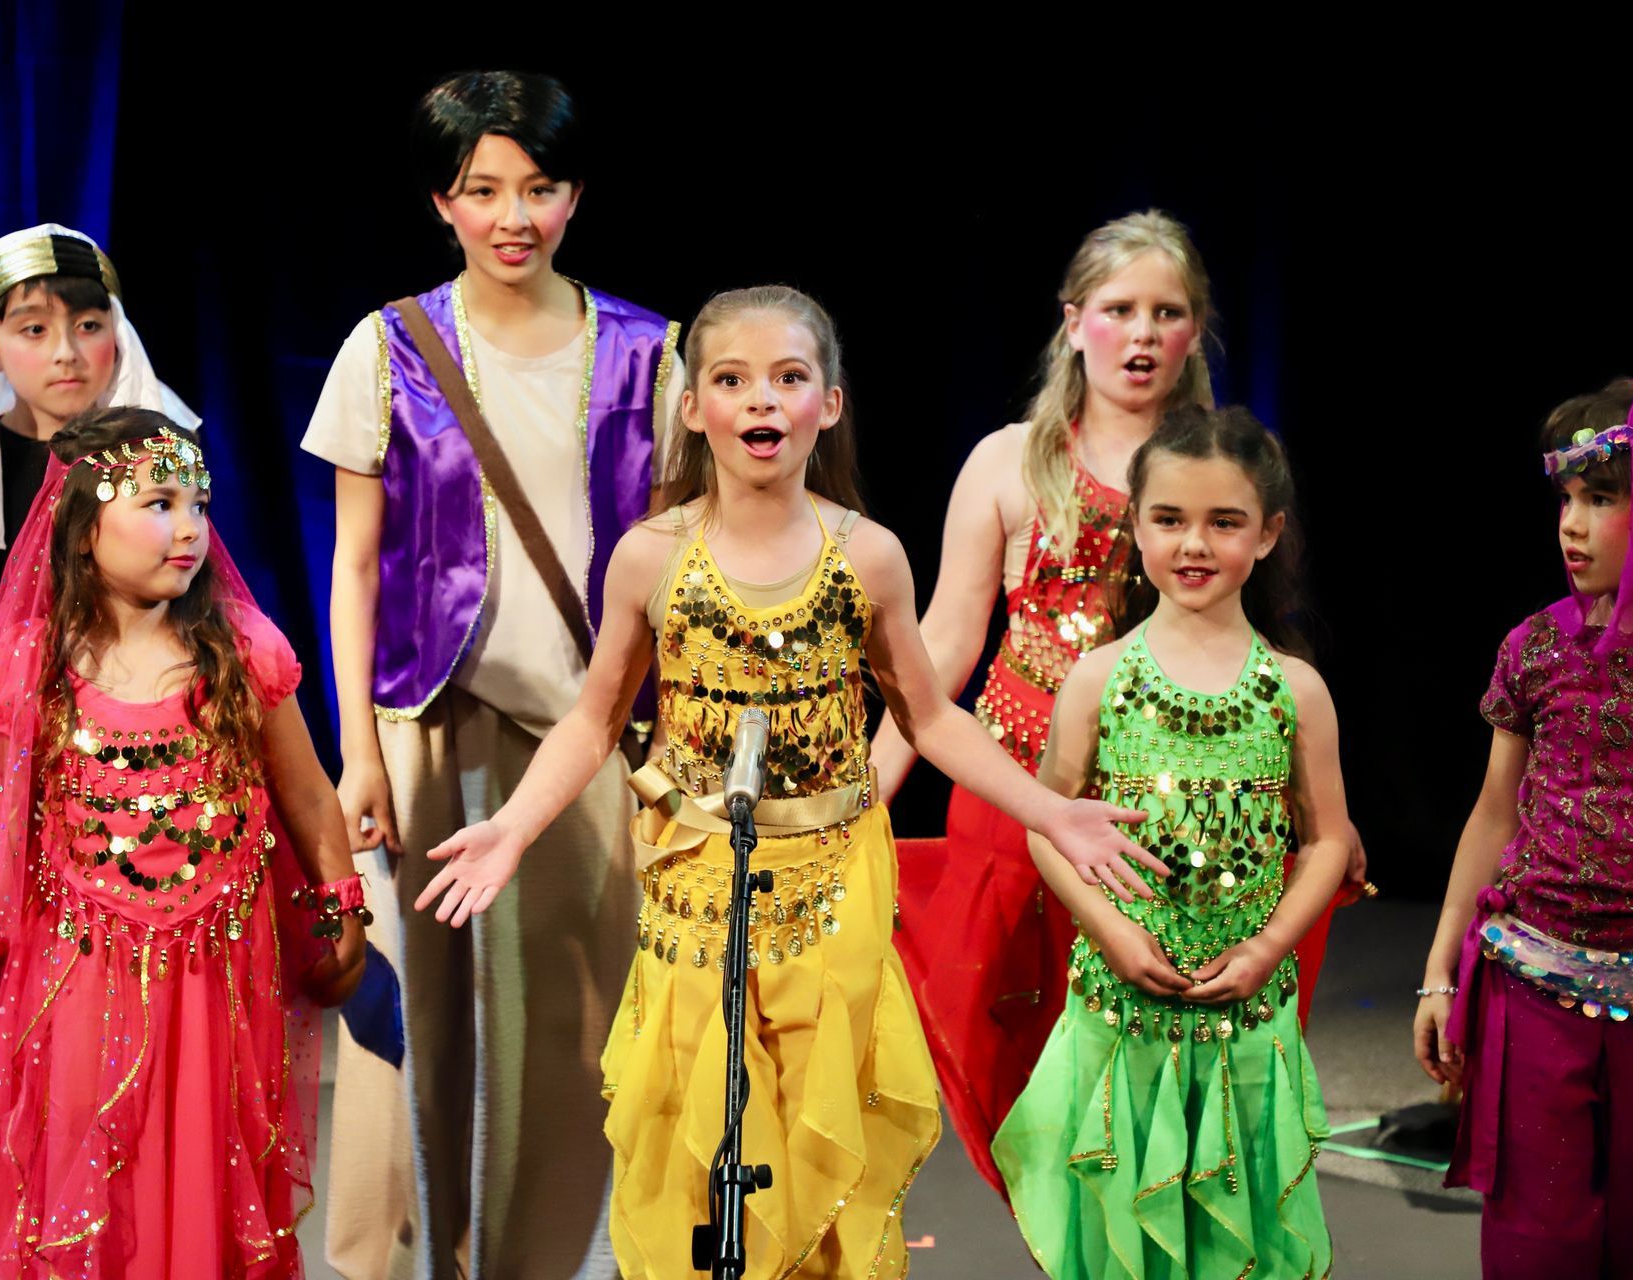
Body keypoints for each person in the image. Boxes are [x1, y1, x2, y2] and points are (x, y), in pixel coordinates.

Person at [416, 285, 1154, 1279]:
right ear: (693, 408)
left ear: (829, 403)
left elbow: (930, 715)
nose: (761, 401)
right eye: (732, 379)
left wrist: (1052, 810)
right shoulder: (650, 559)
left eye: (788, 377)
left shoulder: (868, 557)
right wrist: (511, 824)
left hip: (831, 887)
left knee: (813, 1140)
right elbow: (596, 719)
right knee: (702, 1129)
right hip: (695, 887)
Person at [300, 70, 683, 1279]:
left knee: (576, 1023)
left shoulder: (650, 351)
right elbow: (354, 564)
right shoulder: (390, 346)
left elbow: (679, 560)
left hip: (593, 733)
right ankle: (395, 1261)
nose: (514, 215)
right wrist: (356, 745)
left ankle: (550, 1261)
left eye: (539, 187)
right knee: (413, 1022)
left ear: (575, 194)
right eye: (484, 191)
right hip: (428, 723)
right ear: (442, 200)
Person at [0, 407, 363, 1279]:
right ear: (86, 530)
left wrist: (341, 902)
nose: (188, 528)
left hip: (216, 984)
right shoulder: (30, 665)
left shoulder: (244, 653)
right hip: (75, 979)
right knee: (86, 1177)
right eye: (160, 503)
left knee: (207, 1167)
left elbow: (310, 797)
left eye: (199, 505)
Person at [870, 211, 1218, 1194]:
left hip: (1165, 811)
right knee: (1021, 1072)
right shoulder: (1009, 460)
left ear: (1195, 333)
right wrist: (859, 795)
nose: (1142, 334)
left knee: (1142, 1083)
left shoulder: (1219, 470)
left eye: (1167, 313)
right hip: (1013, 802)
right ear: (1075, 323)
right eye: (1120, 310)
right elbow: (940, 646)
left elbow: (1263, 648)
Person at [994, 405, 1345, 1278]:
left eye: (1224, 522)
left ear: (1267, 535)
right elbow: (1048, 824)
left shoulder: (1294, 689)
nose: (1195, 544)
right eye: (1170, 520)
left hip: (1245, 1016)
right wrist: (1108, 930)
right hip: (1123, 1010)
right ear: (1135, 529)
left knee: (1238, 1235)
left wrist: (1267, 950)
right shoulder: (1099, 677)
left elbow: (1331, 842)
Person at [1414, 376, 1633, 1278]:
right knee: (1536, 1247)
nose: (1572, 524)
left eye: (1602, 499)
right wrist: (1439, 972)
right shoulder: (1537, 647)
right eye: (1565, 499)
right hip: (1534, 993)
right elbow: (1494, 812)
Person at [0, 223, 196, 897]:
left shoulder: (167, 463)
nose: (67, 354)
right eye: (33, 330)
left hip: (141, 770)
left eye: (88, 325)